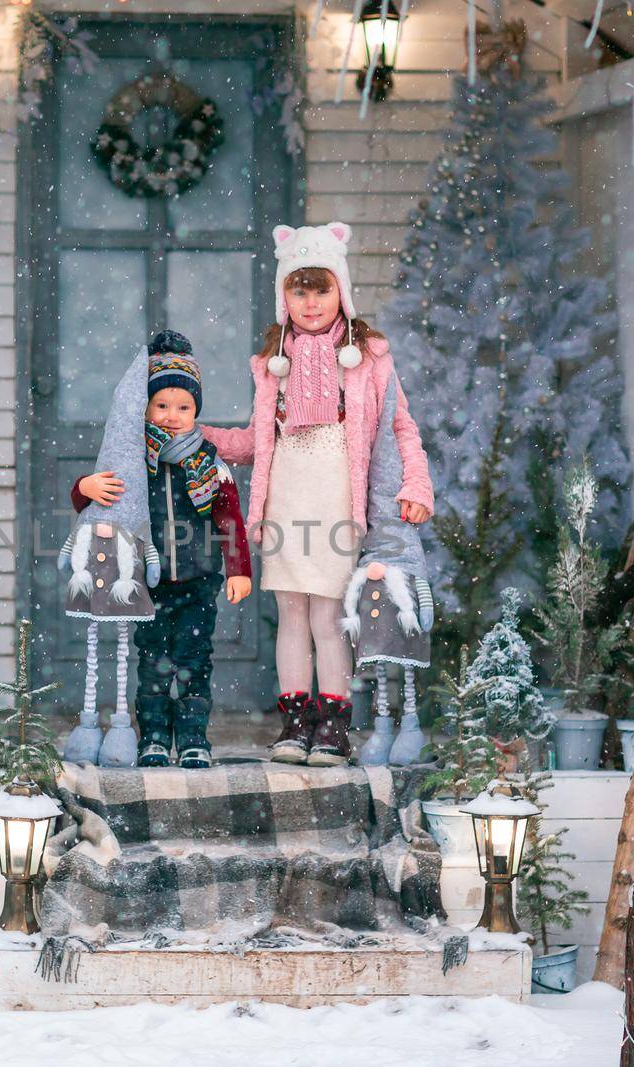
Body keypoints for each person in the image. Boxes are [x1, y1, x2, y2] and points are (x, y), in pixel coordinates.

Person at [202, 222, 433, 767]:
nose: (310, 303)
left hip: (337, 500)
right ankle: (294, 722)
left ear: (341, 292)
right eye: (298, 290)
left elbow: (401, 428)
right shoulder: (270, 365)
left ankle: (333, 726)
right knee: (292, 615)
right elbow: (258, 441)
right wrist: (200, 436)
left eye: (321, 289)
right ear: (284, 295)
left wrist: (416, 482)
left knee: (329, 618)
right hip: (286, 499)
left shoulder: (370, 358)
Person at [72, 331, 253, 769]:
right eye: (162, 405)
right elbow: (97, 503)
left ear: (196, 411)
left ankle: (193, 737)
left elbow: (229, 518)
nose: (172, 416)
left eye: (183, 407)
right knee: (152, 662)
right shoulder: (133, 456)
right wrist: (84, 487)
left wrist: (238, 569)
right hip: (146, 582)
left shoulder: (209, 462)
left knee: (194, 661)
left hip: (198, 578)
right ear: (146, 407)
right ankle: (152, 734)